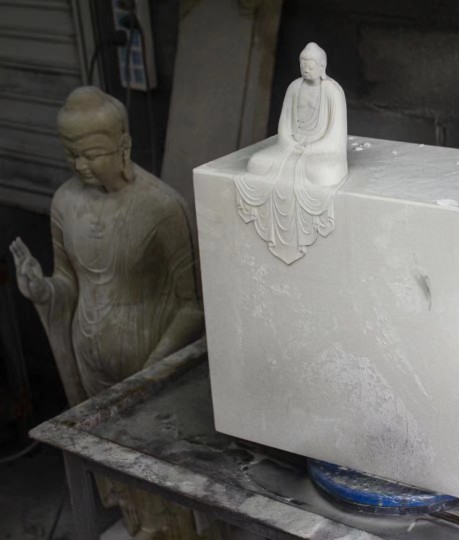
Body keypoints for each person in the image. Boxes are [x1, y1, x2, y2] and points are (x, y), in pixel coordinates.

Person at [9, 86, 205, 538]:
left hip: (149, 359)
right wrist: (42, 289)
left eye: (92, 154)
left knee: (162, 465)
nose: (81, 166)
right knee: (113, 463)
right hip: (91, 360)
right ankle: (139, 524)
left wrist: (154, 370)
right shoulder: (65, 202)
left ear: (123, 146)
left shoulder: (162, 207)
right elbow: (68, 282)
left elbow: (192, 306)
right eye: (72, 154)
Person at [235, 42, 347, 264]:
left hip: (320, 150)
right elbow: (284, 126)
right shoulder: (294, 87)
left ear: (322, 66)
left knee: (323, 174)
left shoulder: (333, 91)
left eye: (311, 65)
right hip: (290, 146)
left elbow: (336, 137)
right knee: (256, 163)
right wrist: (289, 144)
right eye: (302, 64)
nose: (306, 69)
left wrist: (311, 148)